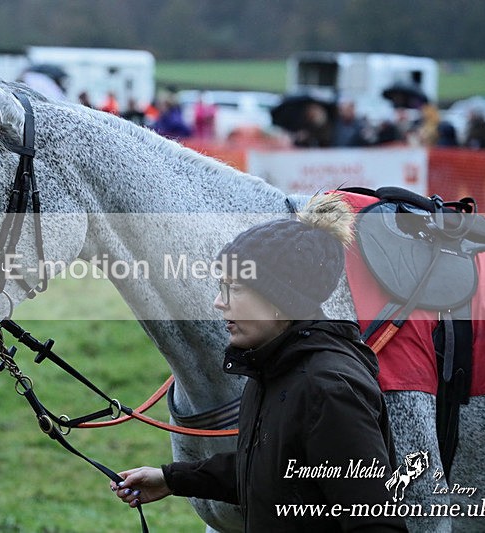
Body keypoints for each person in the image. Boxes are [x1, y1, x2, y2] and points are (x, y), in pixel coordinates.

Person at [111, 194, 406, 532]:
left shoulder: (328, 391)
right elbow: (271, 473)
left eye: (234, 289)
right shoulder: (270, 370)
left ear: (281, 300)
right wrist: (171, 478)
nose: (218, 302)